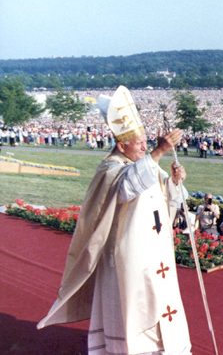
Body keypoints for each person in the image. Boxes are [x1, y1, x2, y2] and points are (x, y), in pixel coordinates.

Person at [37, 86, 191, 354]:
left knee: (162, 306)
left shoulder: (143, 165)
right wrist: (158, 152)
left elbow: (161, 197)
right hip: (127, 256)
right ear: (122, 145)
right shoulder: (111, 169)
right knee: (135, 311)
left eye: (146, 141)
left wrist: (175, 183)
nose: (145, 146)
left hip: (155, 254)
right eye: (140, 142)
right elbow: (127, 187)